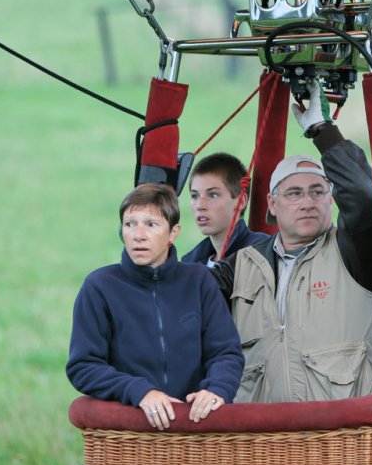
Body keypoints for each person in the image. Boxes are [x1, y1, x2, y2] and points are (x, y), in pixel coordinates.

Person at [212, 80, 372, 403]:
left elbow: (366, 197)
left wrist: (323, 130)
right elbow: (183, 297)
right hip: (264, 443)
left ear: (331, 200)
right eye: (294, 193)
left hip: (342, 438)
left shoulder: (352, 254)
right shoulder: (244, 264)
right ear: (272, 206)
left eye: (317, 192)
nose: (307, 202)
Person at [66, 183, 244, 430]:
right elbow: (83, 366)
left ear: (173, 233)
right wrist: (139, 392)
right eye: (130, 224)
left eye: (151, 224)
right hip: (130, 432)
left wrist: (217, 389)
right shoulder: (100, 286)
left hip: (196, 427)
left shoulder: (199, 281)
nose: (138, 235)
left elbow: (225, 352)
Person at [181, 152, 268, 267]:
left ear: (241, 201)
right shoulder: (190, 262)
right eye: (195, 196)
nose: (200, 206)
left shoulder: (260, 253)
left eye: (212, 195)